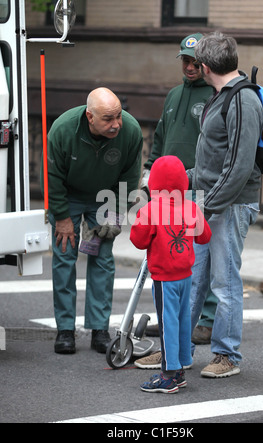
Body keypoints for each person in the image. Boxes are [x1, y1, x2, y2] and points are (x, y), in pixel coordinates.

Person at [136, 33, 217, 367]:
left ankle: (205, 319)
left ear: (204, 63)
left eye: (195, 61)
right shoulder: (171, 95)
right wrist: (148, 170)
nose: (189, 66)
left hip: (196, 183)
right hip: (166, 187)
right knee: (173, 249)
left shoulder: (214, 95)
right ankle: (172, 315)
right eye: (184, 60)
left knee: (198, 253)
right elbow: (160, 137)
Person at [43, 87, 143, 355]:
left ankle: (99, 328)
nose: (116, 124)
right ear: (90, 116)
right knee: (65, 257)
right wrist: (62, 216)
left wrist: (117, 212)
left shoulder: (130, 131)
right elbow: (52, 176)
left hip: (104, 197)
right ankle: (65, 329)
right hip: (70, 196)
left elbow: (131, 176)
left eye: (118, 116)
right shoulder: (63, 130)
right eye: (108, 119)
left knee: (103, 259)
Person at [187, 31, 263, 377]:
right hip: (210, 201)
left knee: (225, 282)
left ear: (205, 66)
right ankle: (177, 350)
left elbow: (239, 166)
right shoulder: (222, 95)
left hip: (230, 206)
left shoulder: (243, 100)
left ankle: (227, 356)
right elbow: (215, 159)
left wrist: (206, 206)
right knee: (192, 279)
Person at [130, 156, 211, 393]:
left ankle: (169, 375)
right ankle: (182, 367)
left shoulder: (150, 209)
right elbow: (204, 237)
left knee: (168, 324)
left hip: (165, 279)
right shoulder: (191, 206)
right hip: (186, 276)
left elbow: (138, 240)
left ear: (154, 182)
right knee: (184, 321)